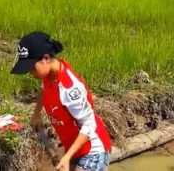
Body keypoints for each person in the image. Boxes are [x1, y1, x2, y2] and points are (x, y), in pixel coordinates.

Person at [11, 31, 111, 171]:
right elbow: (43, 89)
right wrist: (36, 113)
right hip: (75, 149)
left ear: (45, 58)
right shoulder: (48, 76)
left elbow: (89, 124)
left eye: (32, 68)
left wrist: (66, 157)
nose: (30, 72)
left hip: (93, 152)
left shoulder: (69, 88)